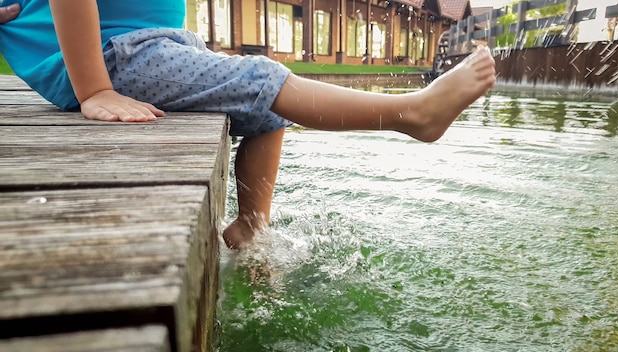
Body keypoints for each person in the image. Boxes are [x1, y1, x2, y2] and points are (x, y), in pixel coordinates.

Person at [0, 0, 496, 250]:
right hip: (109, 59)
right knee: (260, 78)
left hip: (154, 43)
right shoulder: (105, 66)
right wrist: (93, 88)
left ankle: (250, 228)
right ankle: (414, 114)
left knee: (266, 106)